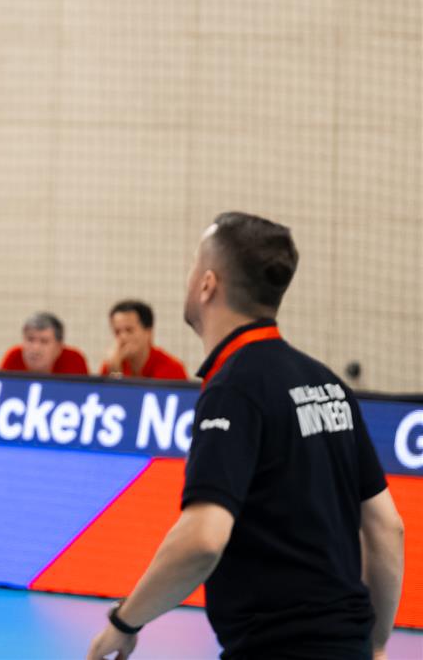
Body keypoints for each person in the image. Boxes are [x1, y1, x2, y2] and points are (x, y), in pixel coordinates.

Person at [86, 212, 404, 660]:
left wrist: (125, 622)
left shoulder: (233, 389)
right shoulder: (327, 382)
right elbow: (387, 527)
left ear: (207, 285)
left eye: (193, 264)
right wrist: (377, 643)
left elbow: (202, 539)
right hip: (347, 646)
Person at [98, 299, 188, 380]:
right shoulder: (111, 365)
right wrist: (115, 371)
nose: (122, 337)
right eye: (117, 332)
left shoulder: (171, 369)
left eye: (129, 330)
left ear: (148, 332)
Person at [0, 311, 90, 375]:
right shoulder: (14, 357)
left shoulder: (74, 361)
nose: (35, 348)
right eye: (30, 339)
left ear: (59, 347)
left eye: (44, 341)